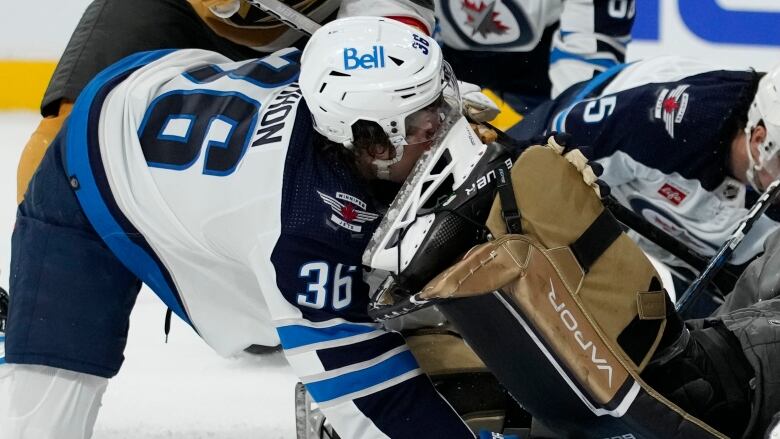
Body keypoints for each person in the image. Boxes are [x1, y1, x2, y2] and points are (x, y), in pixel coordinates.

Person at [0, 16, 481, 439]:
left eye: (438, 99)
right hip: (91, 167)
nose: (441, 120)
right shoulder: (298, 229)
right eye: (423, 117)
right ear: (370, 141)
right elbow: (367, 392)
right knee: (43, 422)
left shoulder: (347, 108)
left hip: (166, 80)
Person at [16, 0, 436, 205]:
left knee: (382, 124)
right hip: (178, 8)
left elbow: (394, 32)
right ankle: (39, 276)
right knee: (78, 120)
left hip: (329, 27)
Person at [510, 56, 780, 282]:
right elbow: (538, 157)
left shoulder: (767, 160)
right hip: (596, 136)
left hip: (677, 233)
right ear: (759, 139)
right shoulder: (665, 124)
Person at [435, 0, 636, 124]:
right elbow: (409, 21)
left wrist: (565, 124)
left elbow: (591, 50)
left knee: (575, 136)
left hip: (541, 67)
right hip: (444, 53)